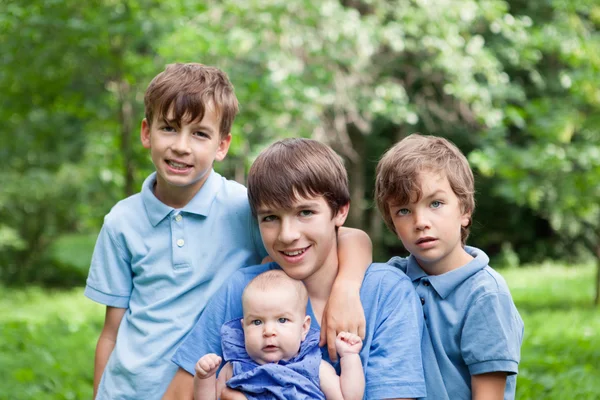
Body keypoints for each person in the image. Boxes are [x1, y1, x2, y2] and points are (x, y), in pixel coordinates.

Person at [84, 63, 372, 400]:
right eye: (169, 128)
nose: (181, 146)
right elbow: (111, 332)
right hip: (127, 390)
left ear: (222, 145)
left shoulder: (243, 208)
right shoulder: (121, 221)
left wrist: (347, 289)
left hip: (205, 380)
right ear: (147, 132)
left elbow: (349, 237)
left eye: (200, 134)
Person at [165, 138, 426, 400]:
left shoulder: (386, 293)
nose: (288, 235)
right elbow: (179, 394)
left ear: (340, 212)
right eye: (270, 218)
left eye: (305, 212)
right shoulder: (242, 288)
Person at [375, 133, 524, 400]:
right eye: (404, 211)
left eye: (436, 203)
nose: (420, 221)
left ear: (464, 210)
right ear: (392, 223)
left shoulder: (485, 294)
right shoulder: (390, 279)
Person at [194, 269, 365, 400]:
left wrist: (349, 357)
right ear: (243, 328)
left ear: (304, 328)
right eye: (257, 322)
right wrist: (205, 378)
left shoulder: (313, 366)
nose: (269, 332)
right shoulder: (235, 367)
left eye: (282, 320)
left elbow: (348, 397)